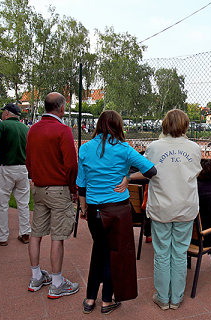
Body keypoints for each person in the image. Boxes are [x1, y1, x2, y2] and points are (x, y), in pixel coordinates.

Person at [77, 110, 156, 315]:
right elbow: (151, 171)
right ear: (119, 126)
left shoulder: (85, 149)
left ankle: (90, 298)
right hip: (118, 210)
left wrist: (84, 208)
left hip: (94, 209)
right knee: (115, 253)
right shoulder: (124, 149)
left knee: (99, 250)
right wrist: (129, 177)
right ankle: (106, 300)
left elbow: (82, 185)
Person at [142, 109, 202, 310]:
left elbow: (147, 172)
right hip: (185, 207)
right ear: (185, 125)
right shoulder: (194, 148)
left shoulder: (154, 147)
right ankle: (176, 298)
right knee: (179, 252)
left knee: (162, 253)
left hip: (162, 207)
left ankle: (162, 297)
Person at [26, 92, 79, 298]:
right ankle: (57, 282)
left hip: (39, 187)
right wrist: (73, 189)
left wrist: (34, 176)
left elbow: (28, 159)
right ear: (62, 108)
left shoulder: (33, 130)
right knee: (58, 236)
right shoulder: (63, 130)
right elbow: (71, 164)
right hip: (59, 189)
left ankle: (36, 275)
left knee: (36, 233)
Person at [0, 103, 31, 246]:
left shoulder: (3, 125)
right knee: (23, 203)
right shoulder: (25, 128)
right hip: (23, 168)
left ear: (7, 113)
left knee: (1, 204)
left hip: (6, 168)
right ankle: (25, 233)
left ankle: (1, 237)